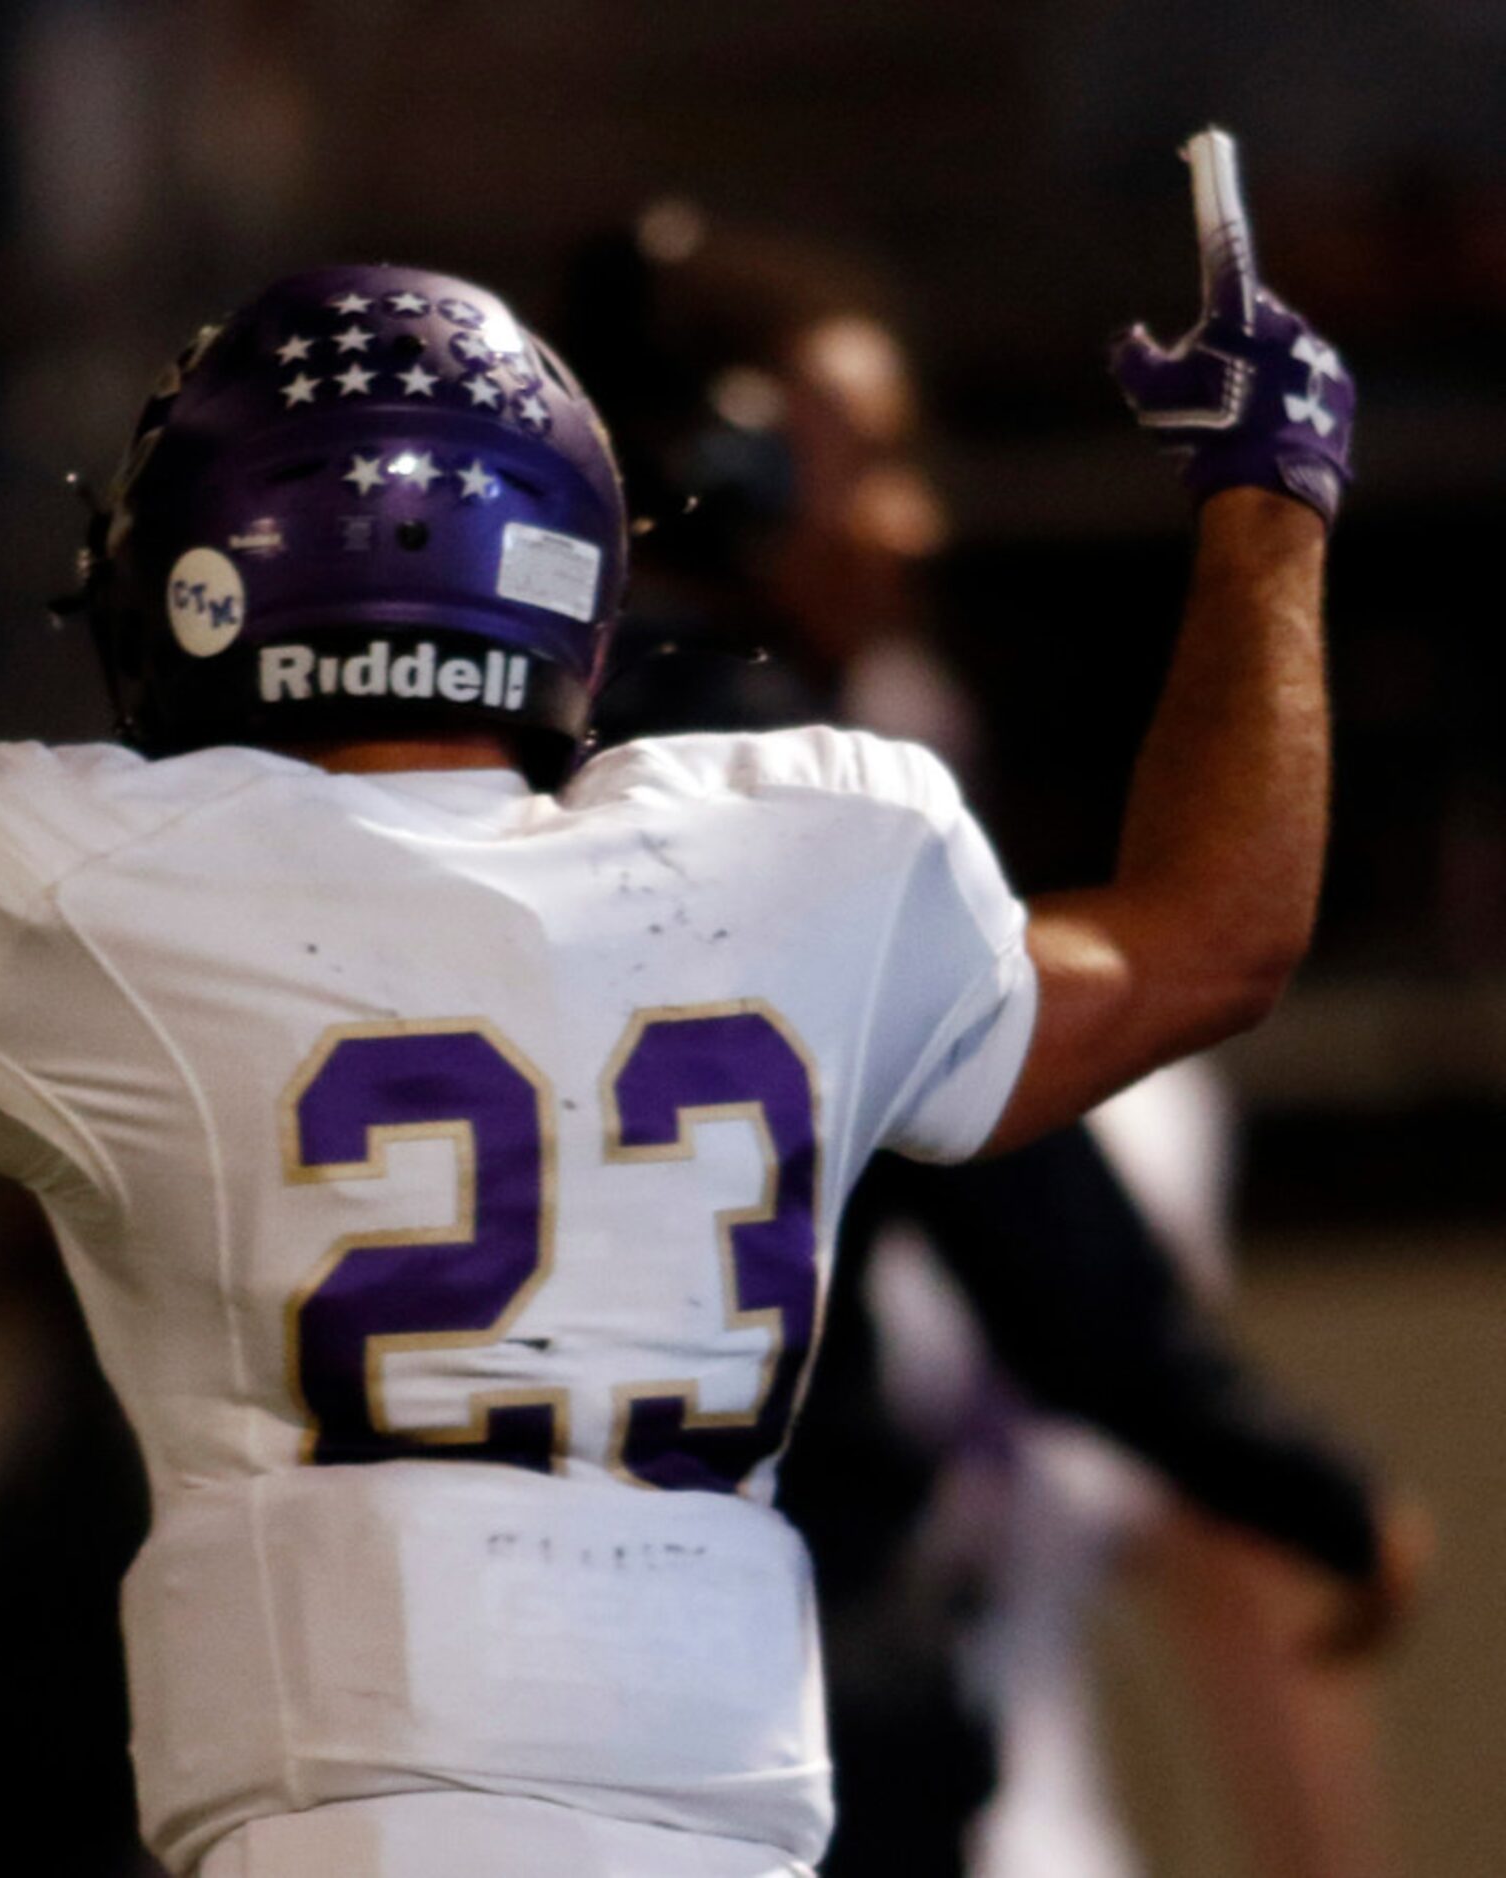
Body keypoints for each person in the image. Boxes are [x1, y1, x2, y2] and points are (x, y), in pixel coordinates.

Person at [0, 63, 1348, 1876]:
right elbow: (1214, 935)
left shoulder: (87, 880)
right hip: (739, 1832)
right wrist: (1266, 504)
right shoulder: (820, 848)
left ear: (194, 576)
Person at [561, 206, 1419, 1877]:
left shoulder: (391, 811)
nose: (913, 517)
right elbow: (1082, 1270)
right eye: (866, 457)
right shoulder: (808, 815)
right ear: (720, 470)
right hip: (775, 1724)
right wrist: (1309, 1483)